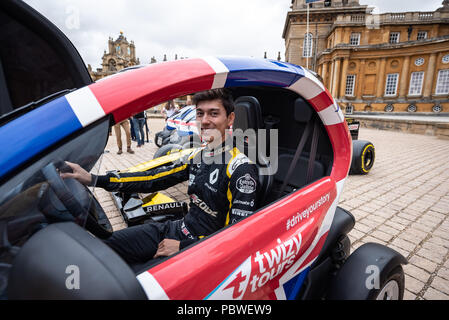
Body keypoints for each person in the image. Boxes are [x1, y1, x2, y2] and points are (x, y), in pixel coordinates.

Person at [62, 89, 259, 265]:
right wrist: (94, 179)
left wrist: (182, 246)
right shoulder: (198, 155)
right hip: (175, 229)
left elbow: (238, 237)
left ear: (230, 119)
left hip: (201, 250)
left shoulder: (241, 169)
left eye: (213, 113)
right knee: (102, 248)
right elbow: (153, 177)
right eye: (200, 113)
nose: (205, 120)